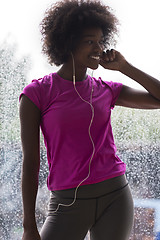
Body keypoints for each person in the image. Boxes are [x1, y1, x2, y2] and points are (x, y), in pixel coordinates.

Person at [19, 1, 160, 240]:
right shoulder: (37, 94)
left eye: (100, 40)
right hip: (66, 203)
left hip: (115, 196)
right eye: (89, 41)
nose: (98, 48)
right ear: (68, 43)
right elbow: (31, 163)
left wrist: (124, 67)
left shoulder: (106, 89)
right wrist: (29, 226)